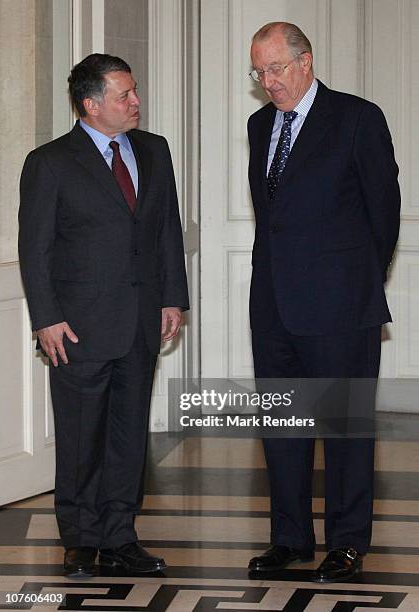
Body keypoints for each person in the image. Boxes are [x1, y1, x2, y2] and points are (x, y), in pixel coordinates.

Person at [18, 54, 189, 578]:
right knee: (80, 437)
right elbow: (37, 248)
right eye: (123, 95)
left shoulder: (155, 151)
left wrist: (172, 299)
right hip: (77, 328)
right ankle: (80, 538)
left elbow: (166, 233)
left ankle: (120, 535)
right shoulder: (49, 162)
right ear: (90, 105)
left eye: (134, 91)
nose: (135, 102)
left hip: (139, 323)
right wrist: (46, 319)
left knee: (127, 436)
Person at [247, 23, 400, 582]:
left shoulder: (358, 118)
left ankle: (347, 541)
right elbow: (272, 218)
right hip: (273, 307)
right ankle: (289, 538)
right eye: (259, 72)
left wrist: (355, 277)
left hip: (340, 305)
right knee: (283, 427)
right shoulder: (260, 124)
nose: (268, 82)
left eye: (276, 68)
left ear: (306, 61)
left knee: (344, 429)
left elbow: (384, 211)